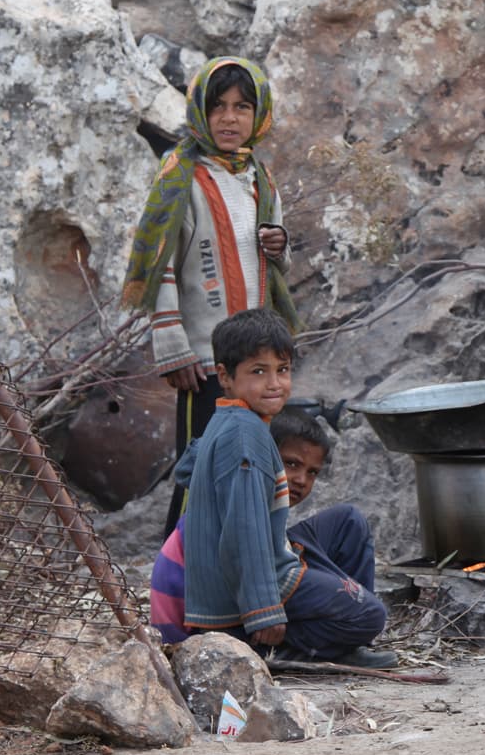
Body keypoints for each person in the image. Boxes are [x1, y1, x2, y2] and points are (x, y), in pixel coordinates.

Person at [121, 56, 299, 537]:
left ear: (257, 116)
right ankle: (177, 571)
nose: (229, 119)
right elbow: (161, 261)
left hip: (254, 354)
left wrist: (279, 245)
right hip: (203, 356)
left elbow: (274, 258)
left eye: (242, 107)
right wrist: (174, 343)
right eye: (218, 106)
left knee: (250, 459)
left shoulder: (259, 177)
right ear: (200, 110)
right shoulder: (181, 173)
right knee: (199, 463)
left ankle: (238, 560)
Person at [157, 308, 394, 668]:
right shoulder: (245, 435)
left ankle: (344, 638)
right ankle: (269, 648)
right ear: (224, 376)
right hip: (234, 604)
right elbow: (244, 531)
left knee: (347, 522)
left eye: (281, 370)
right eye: (258, 371)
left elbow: (192, 470)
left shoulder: (232, 420)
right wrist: (263, 611)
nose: (274, 383)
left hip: (263, 562)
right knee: (369, 616)